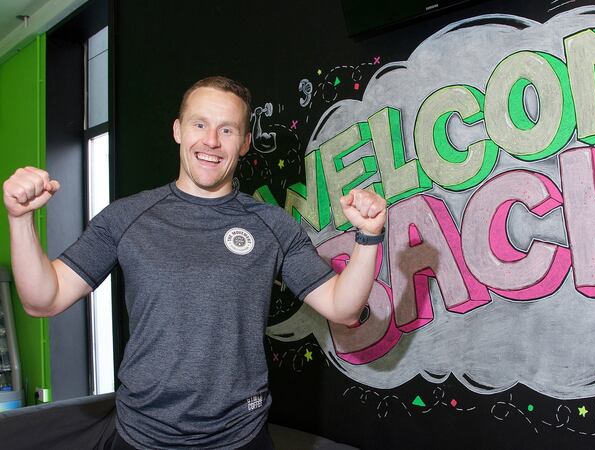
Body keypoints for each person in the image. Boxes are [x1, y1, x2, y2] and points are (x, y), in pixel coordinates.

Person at [2, 76, 387, 449]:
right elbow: (43, 299)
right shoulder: (126, 217)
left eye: (227, 130)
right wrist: (20, 220)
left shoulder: (272, 224)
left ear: (244, 144)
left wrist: (368, 237)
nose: (211, 141)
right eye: (199, 124)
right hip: (144, 436)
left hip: (241, 437)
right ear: (178, 130)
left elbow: (342, 306)